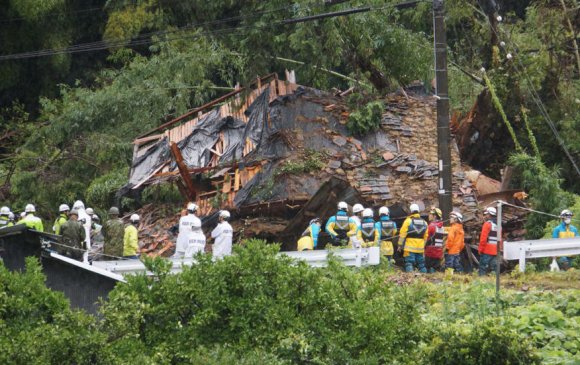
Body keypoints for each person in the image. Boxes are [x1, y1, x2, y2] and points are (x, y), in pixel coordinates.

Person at [398, 204, 428, 273]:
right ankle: (425, 278)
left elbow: (402, 234)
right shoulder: (425, 223)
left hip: (409, 247)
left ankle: (410, 277)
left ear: (411, 211)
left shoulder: (408, 221)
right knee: (421, 264)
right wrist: (423, 247)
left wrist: (400, 245)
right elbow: (426, 237)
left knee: (409, 263)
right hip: (420, 248)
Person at [478, 207, 499, 276]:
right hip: (495, 250)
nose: (485, 216)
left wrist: (480, 249)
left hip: (487, 250)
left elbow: (483, 239)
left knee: (483, 267)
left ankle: (481, 282)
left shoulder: (487, 224)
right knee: (495, 268)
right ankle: (494, 282)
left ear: (489, 215)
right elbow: (500, 239)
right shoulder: (498, 225)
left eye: (486, 214)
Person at [425, 207, 446, 273]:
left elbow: (426, 237)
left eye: (430, 214)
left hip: (430, 252)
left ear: (434, 216)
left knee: (429, 269)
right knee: (436, 269)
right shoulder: (441, 226)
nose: (429, 215)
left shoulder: (431, 226)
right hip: (438, 251)